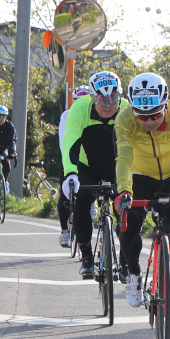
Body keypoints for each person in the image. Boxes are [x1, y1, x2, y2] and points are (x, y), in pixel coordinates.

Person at [114, 72, 170, 318]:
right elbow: (123, 158)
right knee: (129, 222)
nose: (149, 121)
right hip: (141, 176)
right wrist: (124, 190)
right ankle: (133, 273)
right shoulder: (124, 119)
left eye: (154, 114)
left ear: (165, 103)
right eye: (141, 116)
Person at [61, 72, 129, 279]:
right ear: (92, 97)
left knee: (125, 205)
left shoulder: (127, 110)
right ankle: (87, 255)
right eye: (102, 99)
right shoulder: (79, 109)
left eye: (114, 98)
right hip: (87, 165)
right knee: (81, 199)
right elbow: (70, 143)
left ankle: (126, 259)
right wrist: (70, 174)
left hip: (117, 165)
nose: (108, 104)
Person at [56, 86, 95, 248]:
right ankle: (65, 230)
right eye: (78, 101)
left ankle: (92, 203)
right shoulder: (67, 115)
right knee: (65, 195)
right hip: (71, 159)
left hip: (90, 161)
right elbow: (64, 141)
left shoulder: (95, 114)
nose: (81, 104)